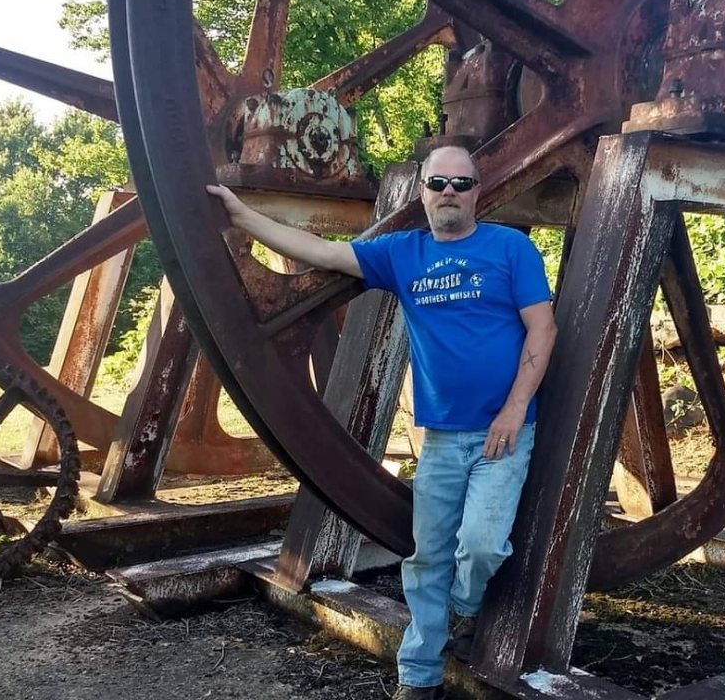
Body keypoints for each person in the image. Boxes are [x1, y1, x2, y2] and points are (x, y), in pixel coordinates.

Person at [207, 145, 557, 700]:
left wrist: (514, 411)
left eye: (461, 184)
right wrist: (244, 217)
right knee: (426, 558)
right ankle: (418, 677)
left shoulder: (510, 248)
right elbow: (321, 251)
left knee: (483, 546)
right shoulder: (402, 254)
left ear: (477, 192)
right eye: (438, 182)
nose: (449, 192)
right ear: (423, 192)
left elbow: (543, 330)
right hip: (441, 437)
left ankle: (463, 609)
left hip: (503, 432)